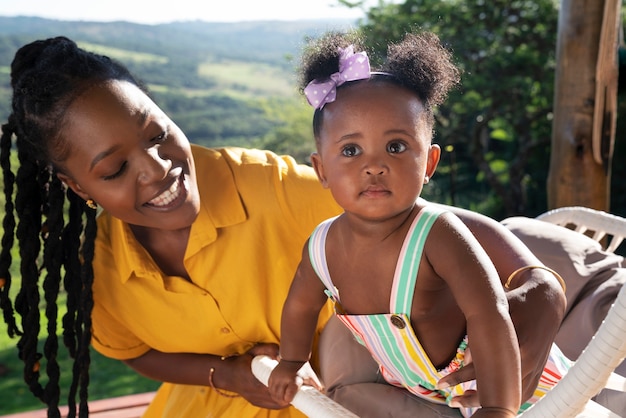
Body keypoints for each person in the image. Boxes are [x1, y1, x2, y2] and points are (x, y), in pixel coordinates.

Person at [1, 33, 612, 418]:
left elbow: (419, 217)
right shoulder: (99, 272)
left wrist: (537, 280)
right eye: (115, 169)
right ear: (78, 188)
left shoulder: (269, 186)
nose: (160, 169)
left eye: (158, 134)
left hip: (350, 394)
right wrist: (227, 375)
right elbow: (138, 353)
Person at [266, 31, 570, 418]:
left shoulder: (437, 233)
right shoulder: (322, 245)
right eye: (351, 150)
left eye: (396, 147)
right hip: (423, 389)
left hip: (505, 380)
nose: (374, 165)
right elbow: (299, 307)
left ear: (428, 163)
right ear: (321, 170)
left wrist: (499, 407)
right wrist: (292, 363)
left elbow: (488, 312)